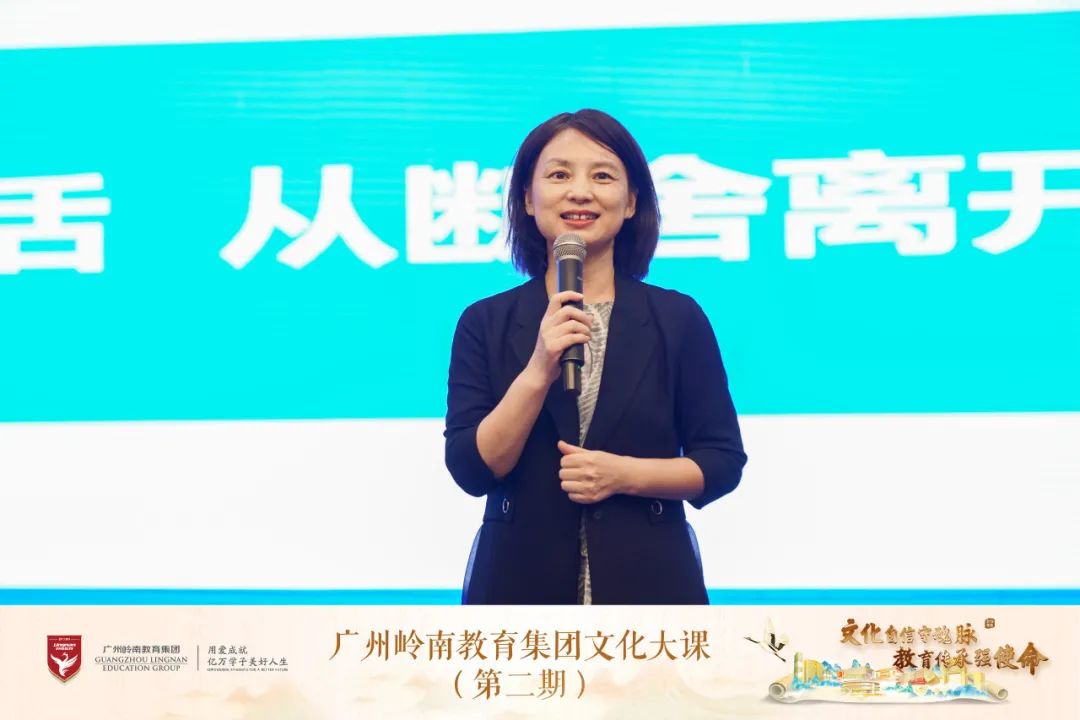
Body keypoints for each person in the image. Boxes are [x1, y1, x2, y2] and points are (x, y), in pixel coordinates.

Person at [444, 109, 747, 604]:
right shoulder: (486, 322)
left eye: (602, 176)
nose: (580, 192)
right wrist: (538, 369)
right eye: (559, 175)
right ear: (527, 198)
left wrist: (625, 475)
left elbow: (721, 462)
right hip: (519, 587)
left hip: (650, 584)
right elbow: (471, 469)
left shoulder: (677, 318)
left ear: (631, 202)